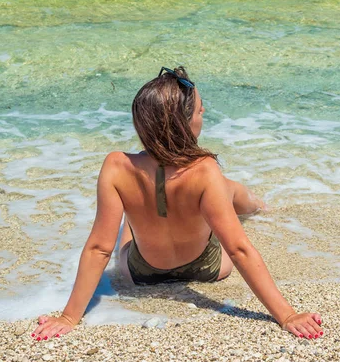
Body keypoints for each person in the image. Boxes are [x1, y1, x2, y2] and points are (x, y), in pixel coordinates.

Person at [32, 66, 323, 341]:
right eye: (199, 109)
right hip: (209, 270)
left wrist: (69, 317)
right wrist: (286, 315)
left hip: (141, 274)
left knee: (130, 216)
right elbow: (238, 249)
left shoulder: (115, 166)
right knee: (227, 189)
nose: (203, 111)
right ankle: (259, 207)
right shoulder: (206, 169)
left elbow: (99, 248)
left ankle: (146, 206)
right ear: (184, 124)